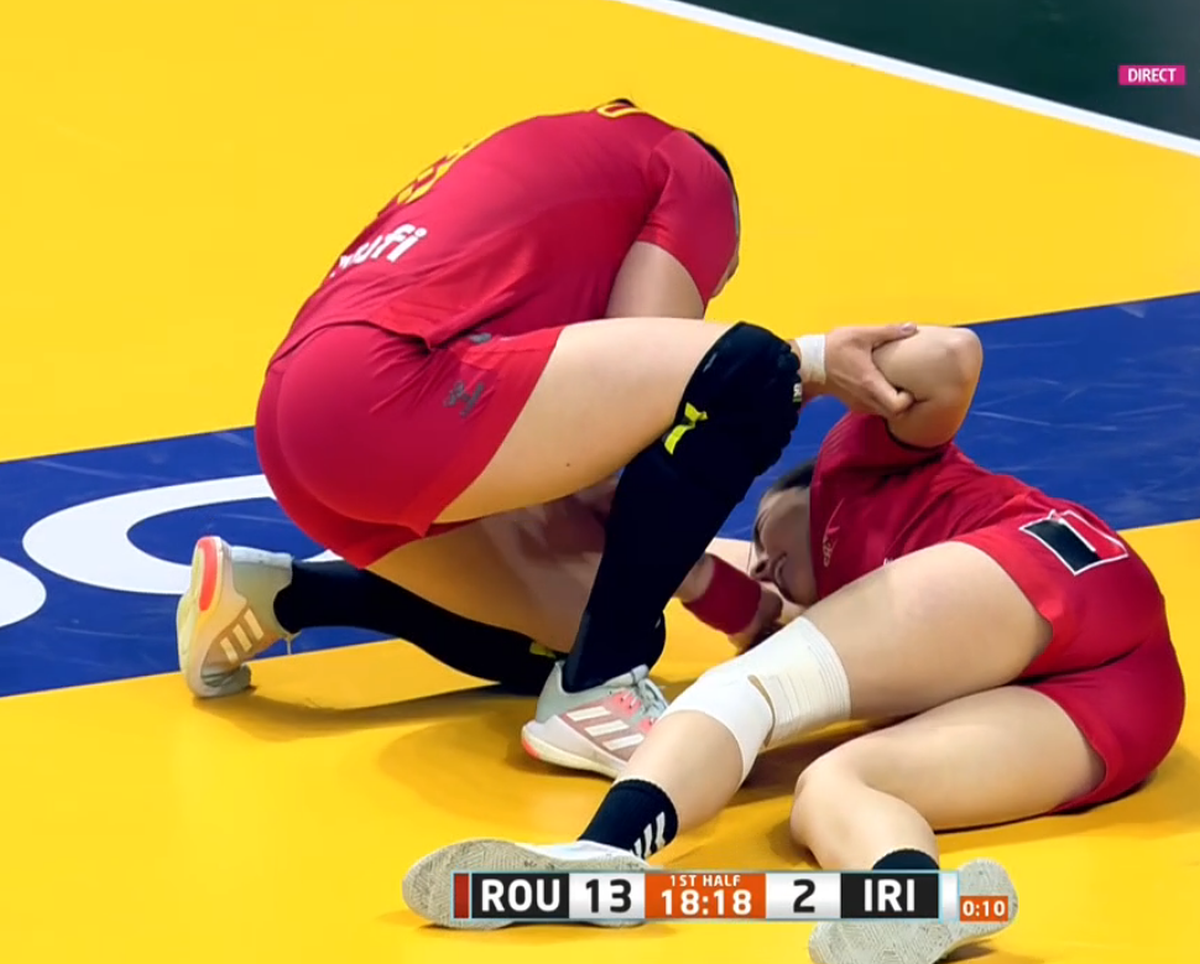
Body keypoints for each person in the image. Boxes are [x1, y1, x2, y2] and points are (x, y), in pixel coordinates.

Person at [176, 98, 915, 780]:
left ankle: (277, 595)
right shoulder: (693, 175)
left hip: (301, 422)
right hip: (388, 388)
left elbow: (598, 505)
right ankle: (597, 689)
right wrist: (816, 365)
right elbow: (643, 434)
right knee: (752, 373)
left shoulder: (546, 182)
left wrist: (717, 592)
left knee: (594, 619)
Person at [399, 324, 1185, 964]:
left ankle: (605, 854)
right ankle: (908, 900)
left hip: (1054, 566)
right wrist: (673, 561)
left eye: (770, 539)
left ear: (804, 495)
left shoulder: (853, 470)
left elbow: (954, 356)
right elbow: (745, 603)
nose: (766, 565)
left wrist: (818, 366)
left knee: (751, 689)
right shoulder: (858, 616)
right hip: (1126, 701)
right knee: (833, 788)